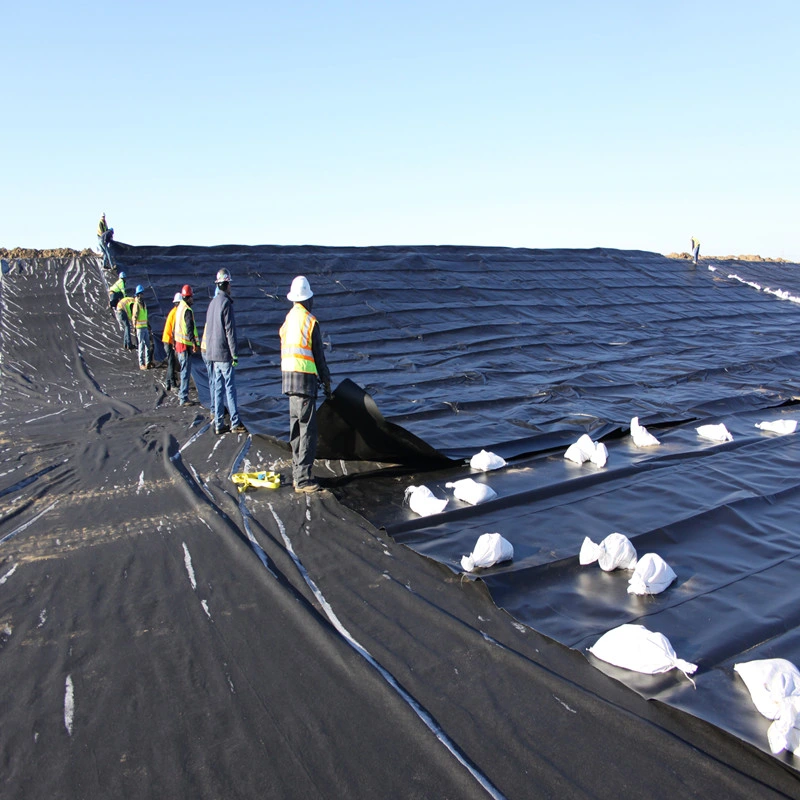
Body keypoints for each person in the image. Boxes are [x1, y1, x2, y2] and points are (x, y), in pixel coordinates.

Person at [279, 275, 332, 493]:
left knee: (295, 429)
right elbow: (319, 357)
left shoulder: (288, 319)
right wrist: (327, 382)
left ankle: (297, 473)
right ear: (307, 299)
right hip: (304, 382)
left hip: (288, 381)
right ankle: (302, 480)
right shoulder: (310, 321)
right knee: (307, 430)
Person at [204, 268, 246, 435]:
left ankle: (219, 423)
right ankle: (235, 422)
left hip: (212, 353)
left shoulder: (212, 303)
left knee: (218, 388)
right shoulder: (225, 303)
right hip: (223, 353)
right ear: (227, 284)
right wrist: (234, 353)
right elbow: (230, 330)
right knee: (230, 387)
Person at [174, 284, 200, 406]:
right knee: (185, 372)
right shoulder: (187, 311)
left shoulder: (179, 308)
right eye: (191, 297)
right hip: (184, 345)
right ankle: (183, 398)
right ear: (188, 297)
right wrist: (194, 343)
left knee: (184, 370)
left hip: (179, 344)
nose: (192, 300)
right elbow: (189, 328)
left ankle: (182, 396)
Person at [161, 292, 182, 391]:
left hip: (167, 340)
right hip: (168, 341)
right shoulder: (176, 313)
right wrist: (174, 344)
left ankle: (168, 383)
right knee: (171, 362)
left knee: (171, 361)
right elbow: (173, 330)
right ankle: (172, 383)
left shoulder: (174, 311)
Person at [131, 285, 152, 370]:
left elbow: (145, 315)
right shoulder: (137, 304)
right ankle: (141, 363)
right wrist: (134, 326)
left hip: (145, 327)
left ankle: (148, 362)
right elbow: (135, 316)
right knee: (141, 345)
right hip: (139, 327)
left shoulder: (143, 304)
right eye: (141, 293)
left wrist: (148, 325)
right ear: (138, 294)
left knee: (147, 344)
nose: (142, 295)